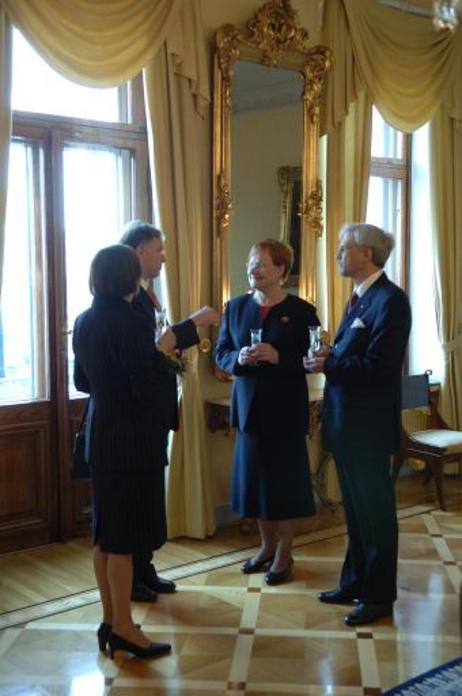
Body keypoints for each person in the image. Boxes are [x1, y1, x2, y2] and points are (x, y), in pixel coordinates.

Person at [305, 222, 411, 626]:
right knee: (356, 511)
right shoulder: (360, 299)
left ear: (367, 253)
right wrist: (330, 355)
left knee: (376, 513)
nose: (337, 254)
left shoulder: (391, 301)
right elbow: (357, 355)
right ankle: (354, 582)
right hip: (346, 423)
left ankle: (379, 596)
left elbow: (379, 368)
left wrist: (329, 362)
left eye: (343, 247)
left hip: (367, 427)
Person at [73, 244, 172, 658]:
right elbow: (145, 388)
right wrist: (162, 355)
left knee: (104, 533)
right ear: (130, 277)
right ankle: (127, 629)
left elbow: (82, 382)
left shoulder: (84, 320)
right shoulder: (131, 323)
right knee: (124, 538)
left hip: (101, 435)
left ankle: (111, 619)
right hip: (131, 440)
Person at [120, 220, 220, 602]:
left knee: (148, 495)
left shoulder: (148, 294)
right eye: (158, 249)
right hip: (137, 415)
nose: (164, 256)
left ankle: (144, 569)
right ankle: (131, 577)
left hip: (154, 411)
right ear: (139, 251)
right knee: (138, 497)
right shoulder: (129, 302)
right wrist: (192, 324)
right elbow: (150, 351)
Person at [215, 239, 319, 585]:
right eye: (251, 262)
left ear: (281, 270)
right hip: (249, 411)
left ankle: (285, 553)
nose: (253, 269)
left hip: (286, 411)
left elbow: (312, 361)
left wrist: (279, 357)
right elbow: (221, 353)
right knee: (256, 483)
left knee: (286, 485)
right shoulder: (235, 307)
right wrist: (238, 360)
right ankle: (265, 546)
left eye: (261, 263)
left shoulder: (303, 312)